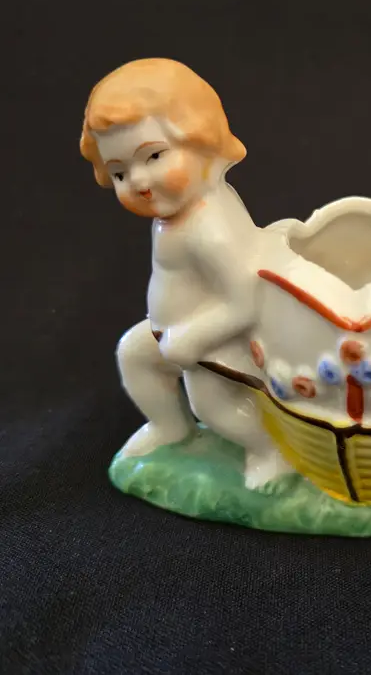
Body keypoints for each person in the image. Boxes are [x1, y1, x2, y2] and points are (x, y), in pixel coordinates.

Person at [80, 58, 292, 487]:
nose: (138, 181)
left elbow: (245, 298)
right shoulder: (177, 216)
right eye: (120, 172)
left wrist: (195, 336)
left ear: (203, 143)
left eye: (154, 156)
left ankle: (271, 450)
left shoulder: (209, 228)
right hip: (173, 332)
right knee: (134, 356)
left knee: (212, 408)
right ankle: (170, 428)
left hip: (218, 337)